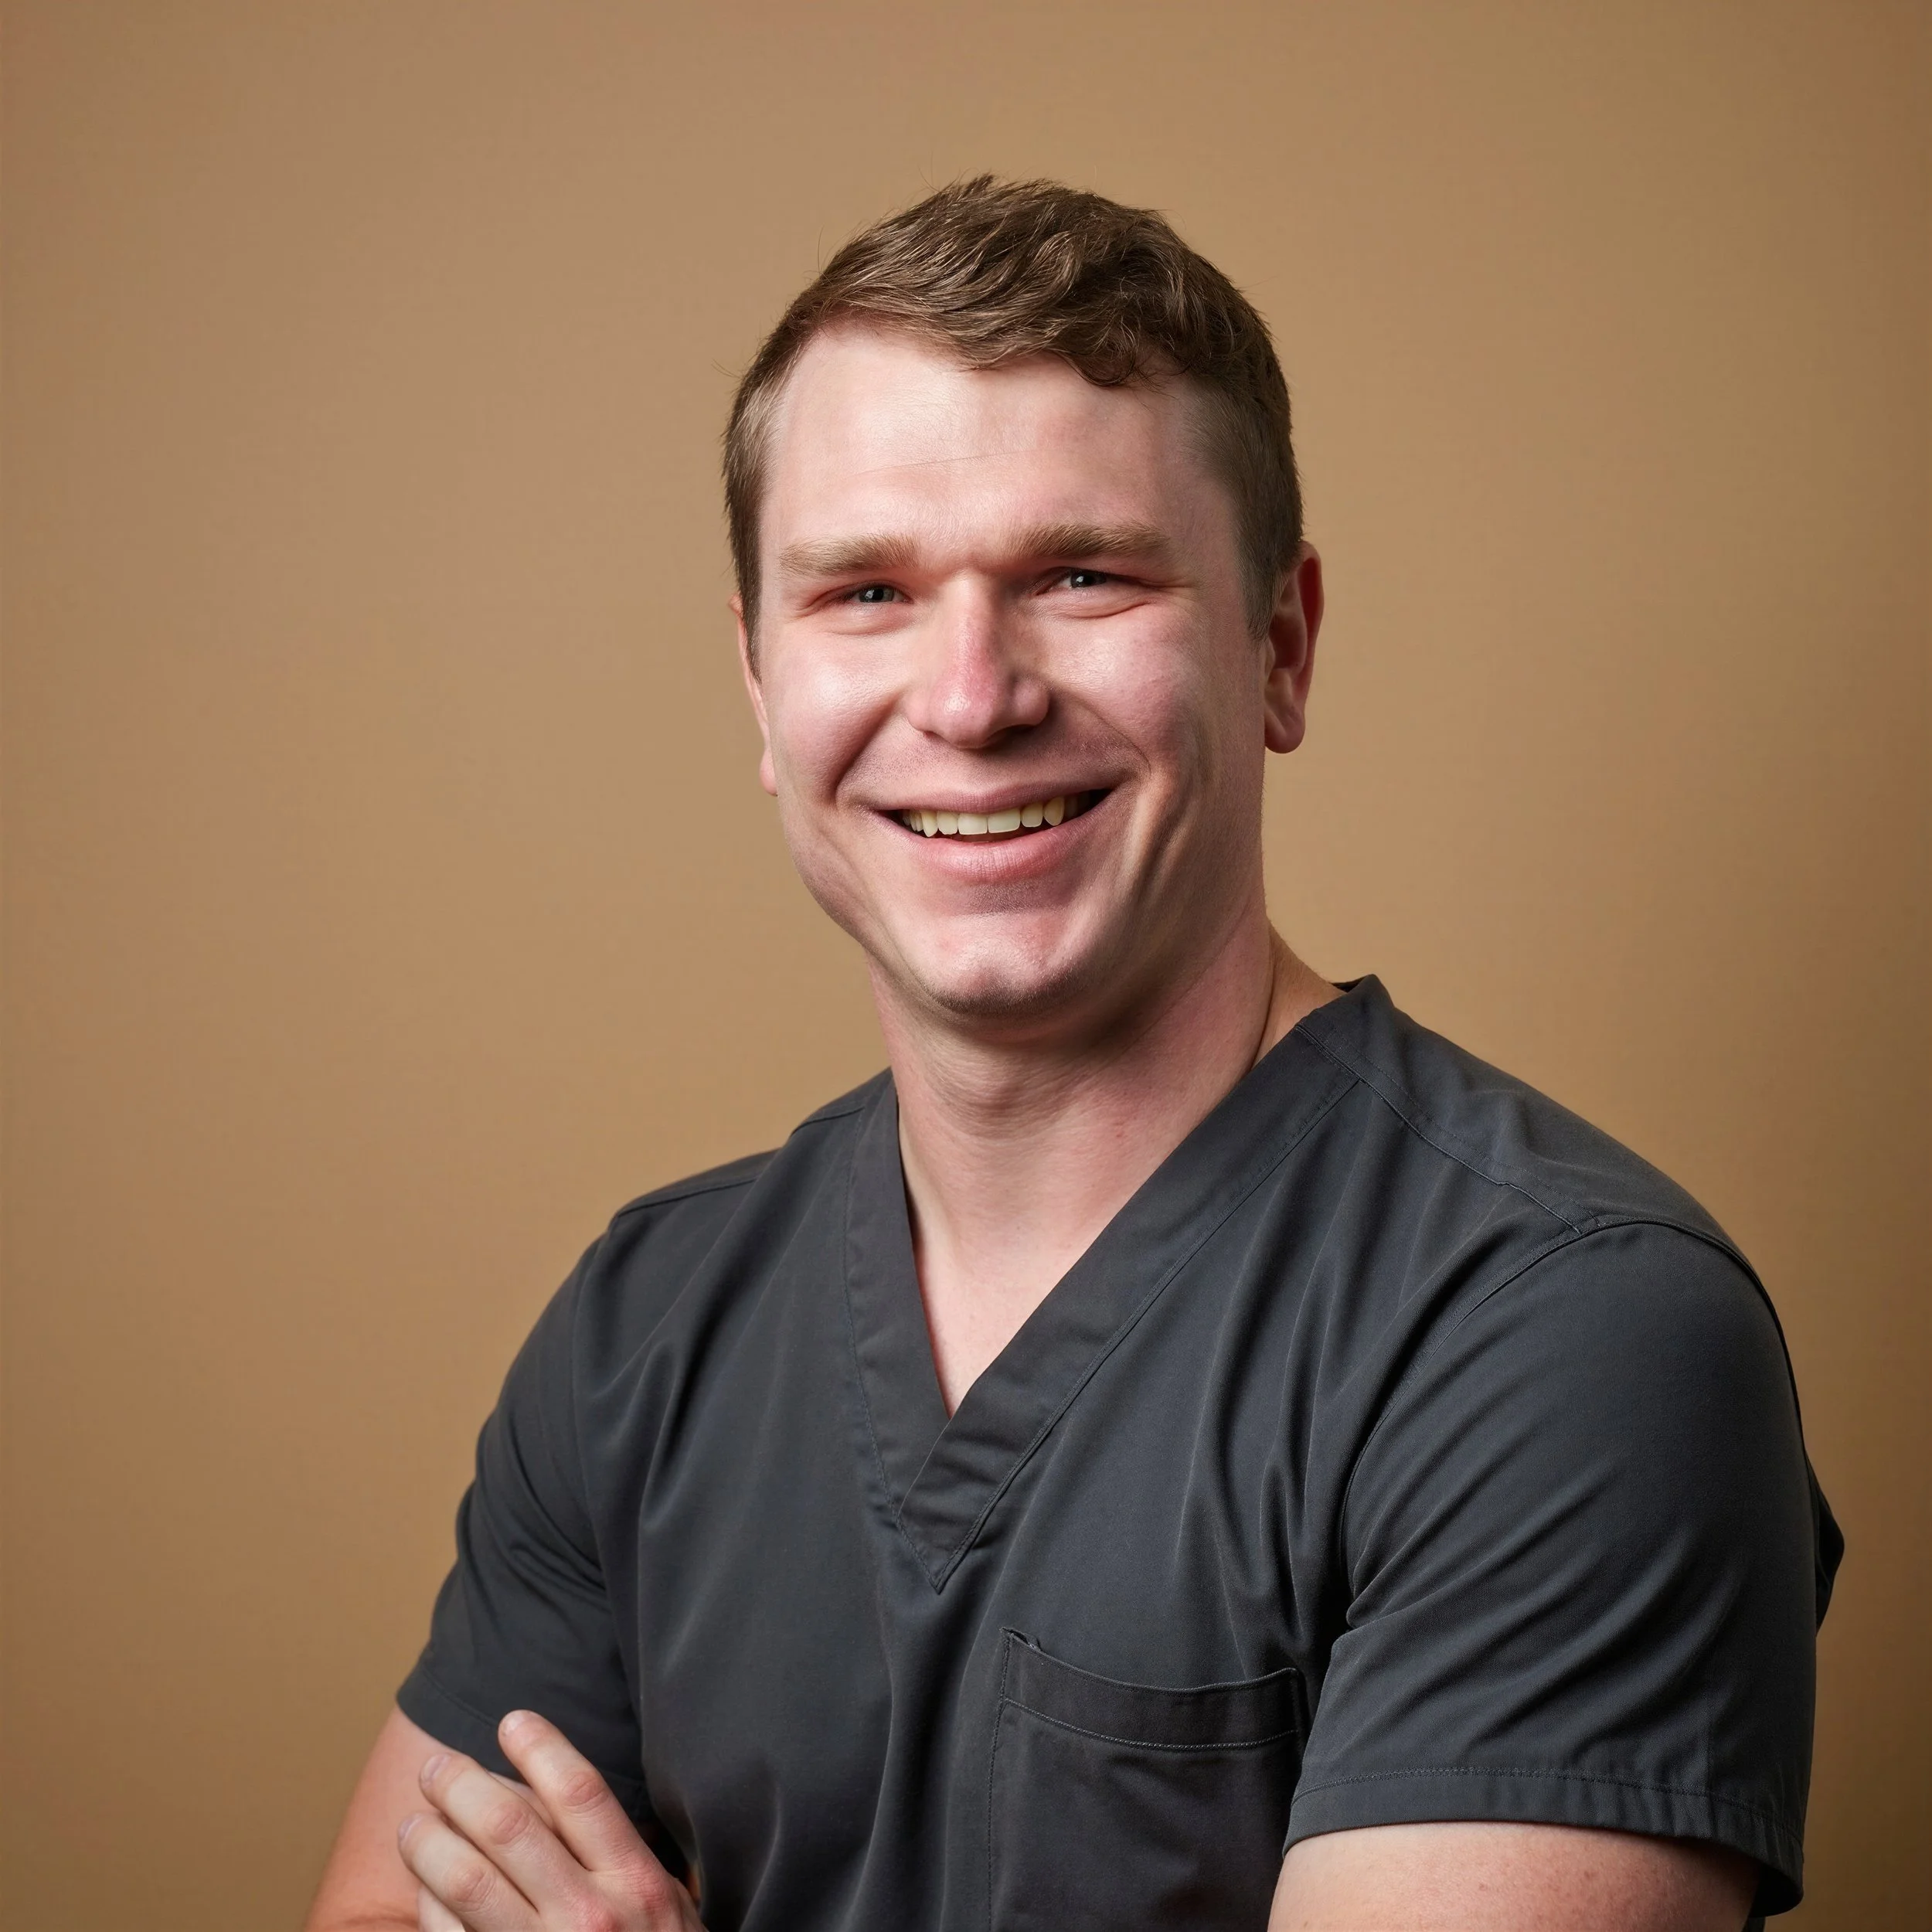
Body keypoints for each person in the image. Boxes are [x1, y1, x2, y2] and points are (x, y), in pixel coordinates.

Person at [304, 178, 1839, 1932]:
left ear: (1279, 643)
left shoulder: (1562, 1334)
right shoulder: (644, 1324)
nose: (969, 695)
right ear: (757, 683)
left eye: (1080, 574)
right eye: (864, 590)